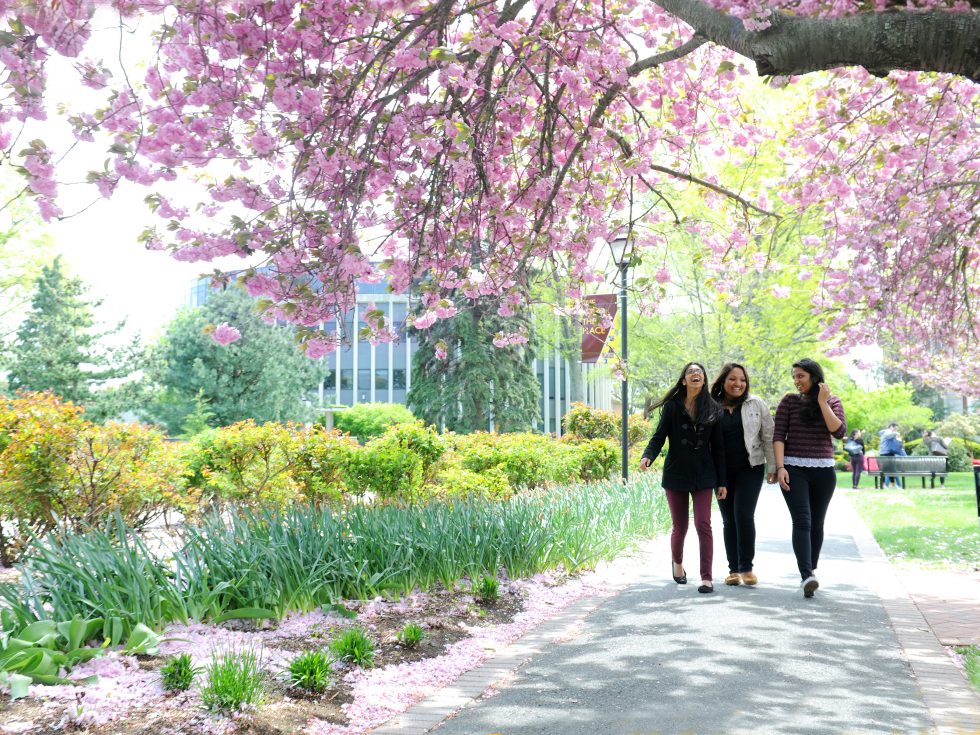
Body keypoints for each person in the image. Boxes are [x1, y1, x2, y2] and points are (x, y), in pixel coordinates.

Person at [640, 362, 727, 594]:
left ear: (704, 379)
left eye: (699, 372)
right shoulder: (672, 407)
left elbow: (718, 448)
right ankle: (677, 564)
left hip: (704, 474)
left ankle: (706, 577)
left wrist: (722, 481)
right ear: (684, 380)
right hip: (676, 473)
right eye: (691, 372)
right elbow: (658, 437)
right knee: (681, 526)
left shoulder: (713, 408)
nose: (695, 374)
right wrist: (648, 456)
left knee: (703, 524)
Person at [773, 358, 846, 598]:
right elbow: (778, 436)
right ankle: (806, 575)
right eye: (794, 376)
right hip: (794, 469)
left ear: (814, 377)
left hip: (824, 471)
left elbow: (839, 431)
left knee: (817, 523)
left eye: (801, 376)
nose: (796, 381)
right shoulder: (789, 402)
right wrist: (780, 467)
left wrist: (822, 402)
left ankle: (811, 572)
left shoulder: (832, 401)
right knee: (802, 520)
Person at [709, 363, 776, 587]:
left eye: (743, 380)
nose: (739, 384)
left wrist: (773, 467)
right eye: (733, 379)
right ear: (723, 381)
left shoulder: (755, 404)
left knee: (744, 515)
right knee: (729, 519)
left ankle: (746, 568)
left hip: (751, 467)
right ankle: (733, 570)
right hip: (721, 472)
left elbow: (768, 436)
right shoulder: (711, 406)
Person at [878, 422, 907, 488]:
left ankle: (892, 484)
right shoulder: (887, 431)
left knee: (891, 469)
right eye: (895, 428)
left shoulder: (889, 433)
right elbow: (888, 436)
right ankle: (884, 484)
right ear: (891, 426)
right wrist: (896, 433)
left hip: (888, 452)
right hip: (886, 453)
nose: (895, 430)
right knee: (886, 469)